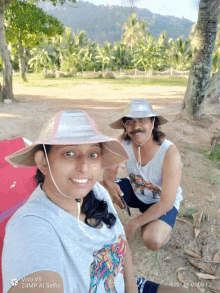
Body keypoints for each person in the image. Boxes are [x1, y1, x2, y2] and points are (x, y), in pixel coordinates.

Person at [2, 110, 188, 293]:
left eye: (93, 154)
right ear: (43, 162)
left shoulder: (96, 191)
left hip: (120, 279)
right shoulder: (30, 226)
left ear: (153, 123)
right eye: (69, 153)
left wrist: (131, 289)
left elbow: (120, 242)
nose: (84, 167)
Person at [103, 99, 183, 251]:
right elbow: (109, 171)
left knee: (152, 240)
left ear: (153, 123)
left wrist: (134, 224)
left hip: (160, 201)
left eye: (142, 120)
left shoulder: (169, 152)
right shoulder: (122, 142)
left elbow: (167, 202)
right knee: (101, 187)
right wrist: (111, 183)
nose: (136, 127)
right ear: (125, 126)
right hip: (136, 191)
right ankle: (99, 225)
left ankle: (159, 224)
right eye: (130, 122)